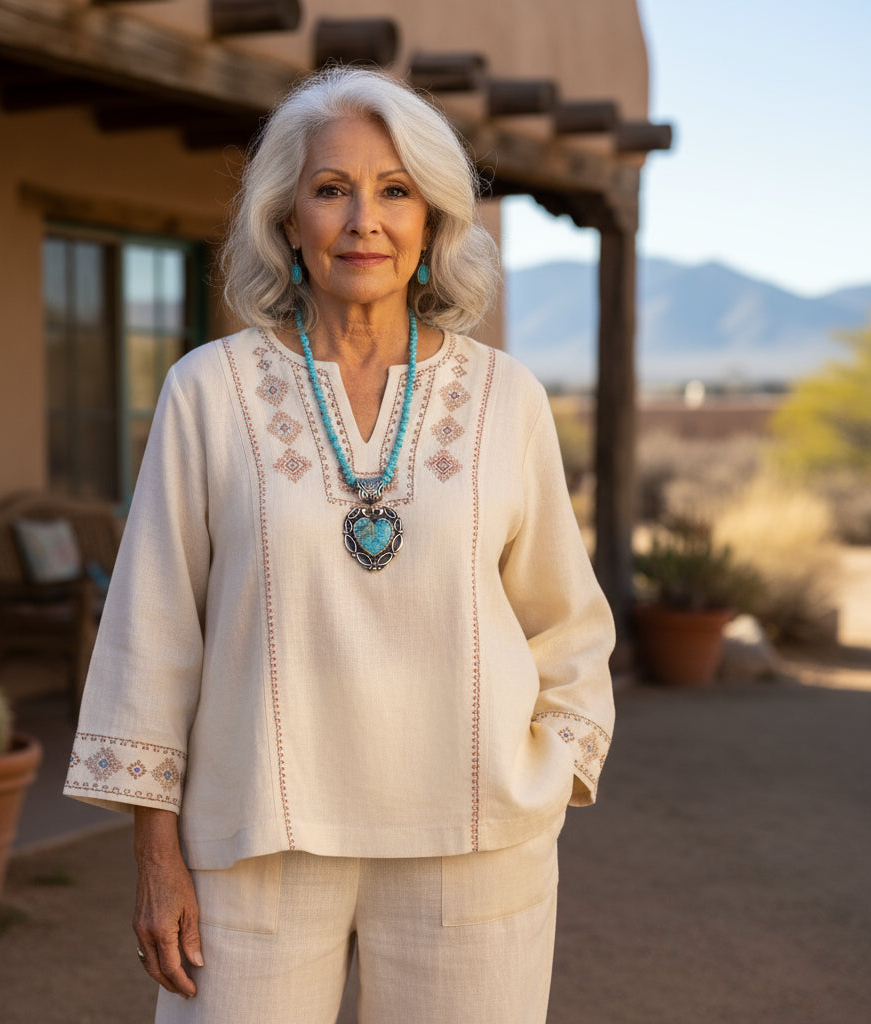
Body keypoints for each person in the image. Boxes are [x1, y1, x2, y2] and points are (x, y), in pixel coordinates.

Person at [64, 66, 616, 1024]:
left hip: (473, 840)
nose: (365, 221)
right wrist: (156, 853)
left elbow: (565, 619)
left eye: (395, 190)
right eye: (332, 189)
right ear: (286, 219)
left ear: (433, 221)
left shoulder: (506, 399)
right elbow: (153, 630)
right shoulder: (209, 392)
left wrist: (551, 767)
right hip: (254, 838)